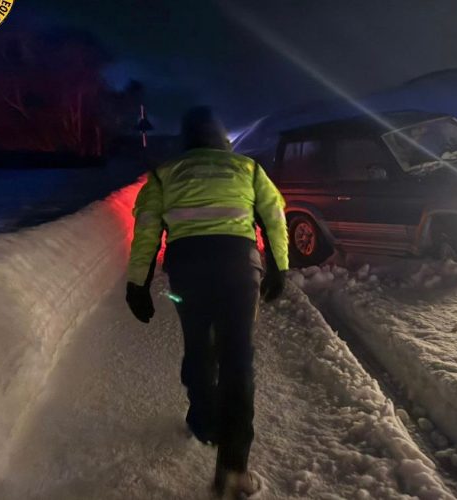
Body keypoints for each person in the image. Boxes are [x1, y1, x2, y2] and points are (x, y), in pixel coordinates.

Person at [124, 107, 289, 498]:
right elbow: (275, 217)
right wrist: (280, 267)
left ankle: (202, 422)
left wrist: (138, 283)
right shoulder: (248, 169)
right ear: (222, 139)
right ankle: (233, 468)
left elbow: (147, 230)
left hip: (188, 272)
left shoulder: (164, 175)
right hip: (239, 270)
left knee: (198, 344)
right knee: (237, 357)